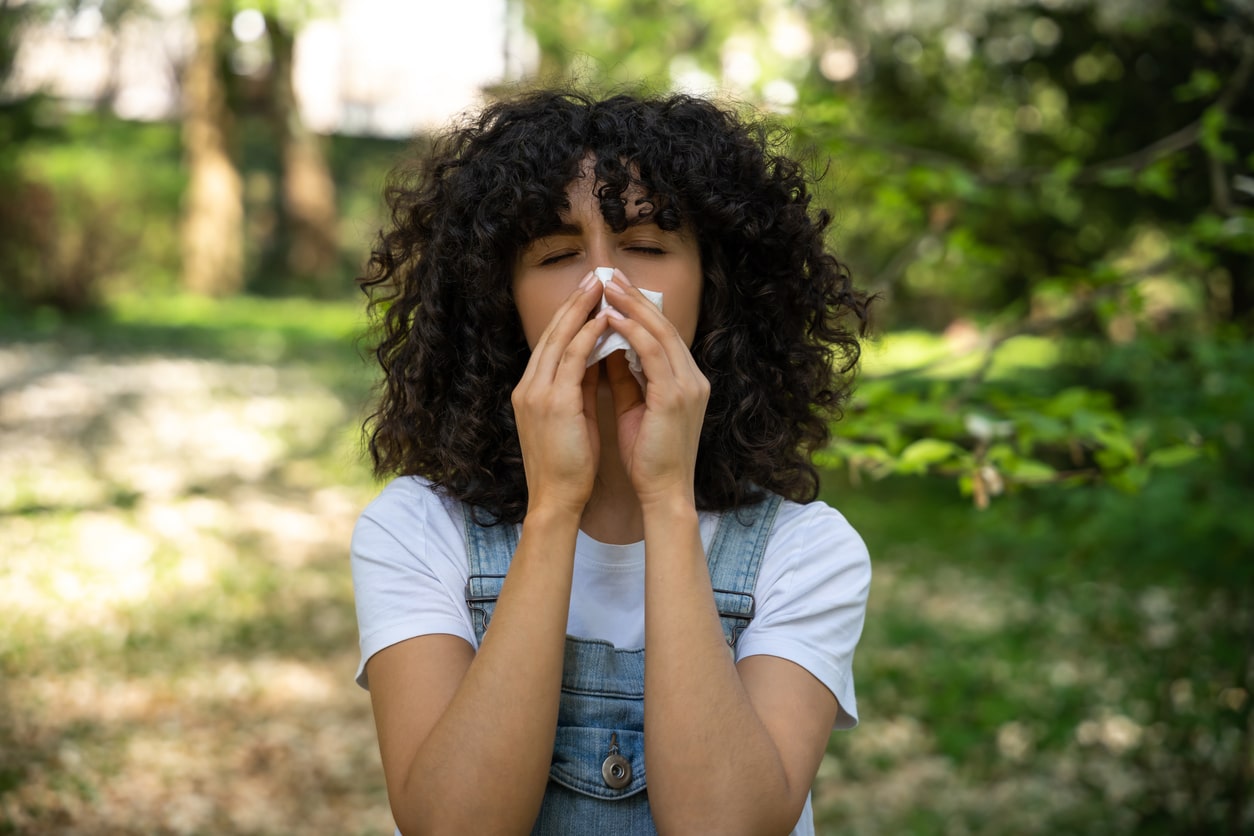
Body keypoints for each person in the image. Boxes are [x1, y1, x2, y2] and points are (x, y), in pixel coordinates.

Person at [351, 89, 872, 835]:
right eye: (559, 256)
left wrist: (667, 500)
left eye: (648, 248)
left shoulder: (808, 552)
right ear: (501, 297)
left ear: (717, 283)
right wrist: (555, 508)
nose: (604, 286)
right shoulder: (414, 530)